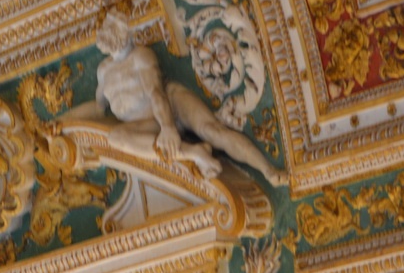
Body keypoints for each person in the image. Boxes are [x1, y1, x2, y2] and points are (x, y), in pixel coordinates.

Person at [64, 10, 285, 185]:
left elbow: (155, 92)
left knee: (212, 131)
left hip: (171, 104)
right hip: (147, 123)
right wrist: (61, 122)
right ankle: (192, 153)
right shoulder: (103, 70)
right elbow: (98, 107)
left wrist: (168, 127)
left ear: (123, 33)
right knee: (116, 138)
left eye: (111, 28)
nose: (105, 34)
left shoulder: (140, 56)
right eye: (106, 28)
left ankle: (267, 169)